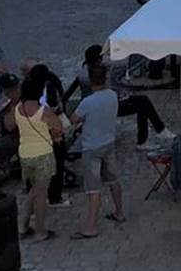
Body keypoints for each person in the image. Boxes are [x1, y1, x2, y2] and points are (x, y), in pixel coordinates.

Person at [71, 63, 125, 239]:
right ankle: (119, 211)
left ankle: (91, 226)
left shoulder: (88, 102)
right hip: (109, 143)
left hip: (92, 147)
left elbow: (74, 119)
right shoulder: (112, 96)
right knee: (113, 179)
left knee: (93, 187)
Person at [16, 71, 63, 241]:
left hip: (25, 155)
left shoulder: (17, 109)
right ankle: (40, 231)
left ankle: (23, 225)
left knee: (34, 189)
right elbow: (58, 127)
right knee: (41, 195)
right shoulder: (44, 111)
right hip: (43, 154)